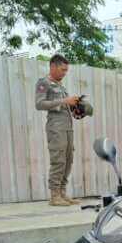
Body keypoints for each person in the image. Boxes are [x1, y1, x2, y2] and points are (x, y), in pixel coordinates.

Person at [35, 54, 93, 206]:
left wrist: (75, 105)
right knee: (58, 160)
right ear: (53, 66)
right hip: (56, 128)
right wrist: (64, 100)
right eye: (62, 70)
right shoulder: (43, 83)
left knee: (68, 160)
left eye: (66, 70)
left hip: (67, 128)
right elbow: (39, 104)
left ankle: (62, 193)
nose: (65, 73)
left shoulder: (61, 86)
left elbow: (64, 105)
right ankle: (54, 196)